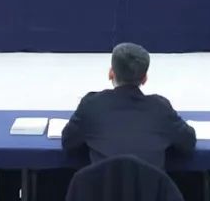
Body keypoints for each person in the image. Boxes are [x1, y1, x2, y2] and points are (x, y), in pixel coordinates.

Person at [62, 42, 196, 169]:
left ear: (111, 73)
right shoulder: (161, 108)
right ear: (144, 79)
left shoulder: (91, 105)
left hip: (103, 185)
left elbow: (68, 142)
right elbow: (188, 142)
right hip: (150, 186)